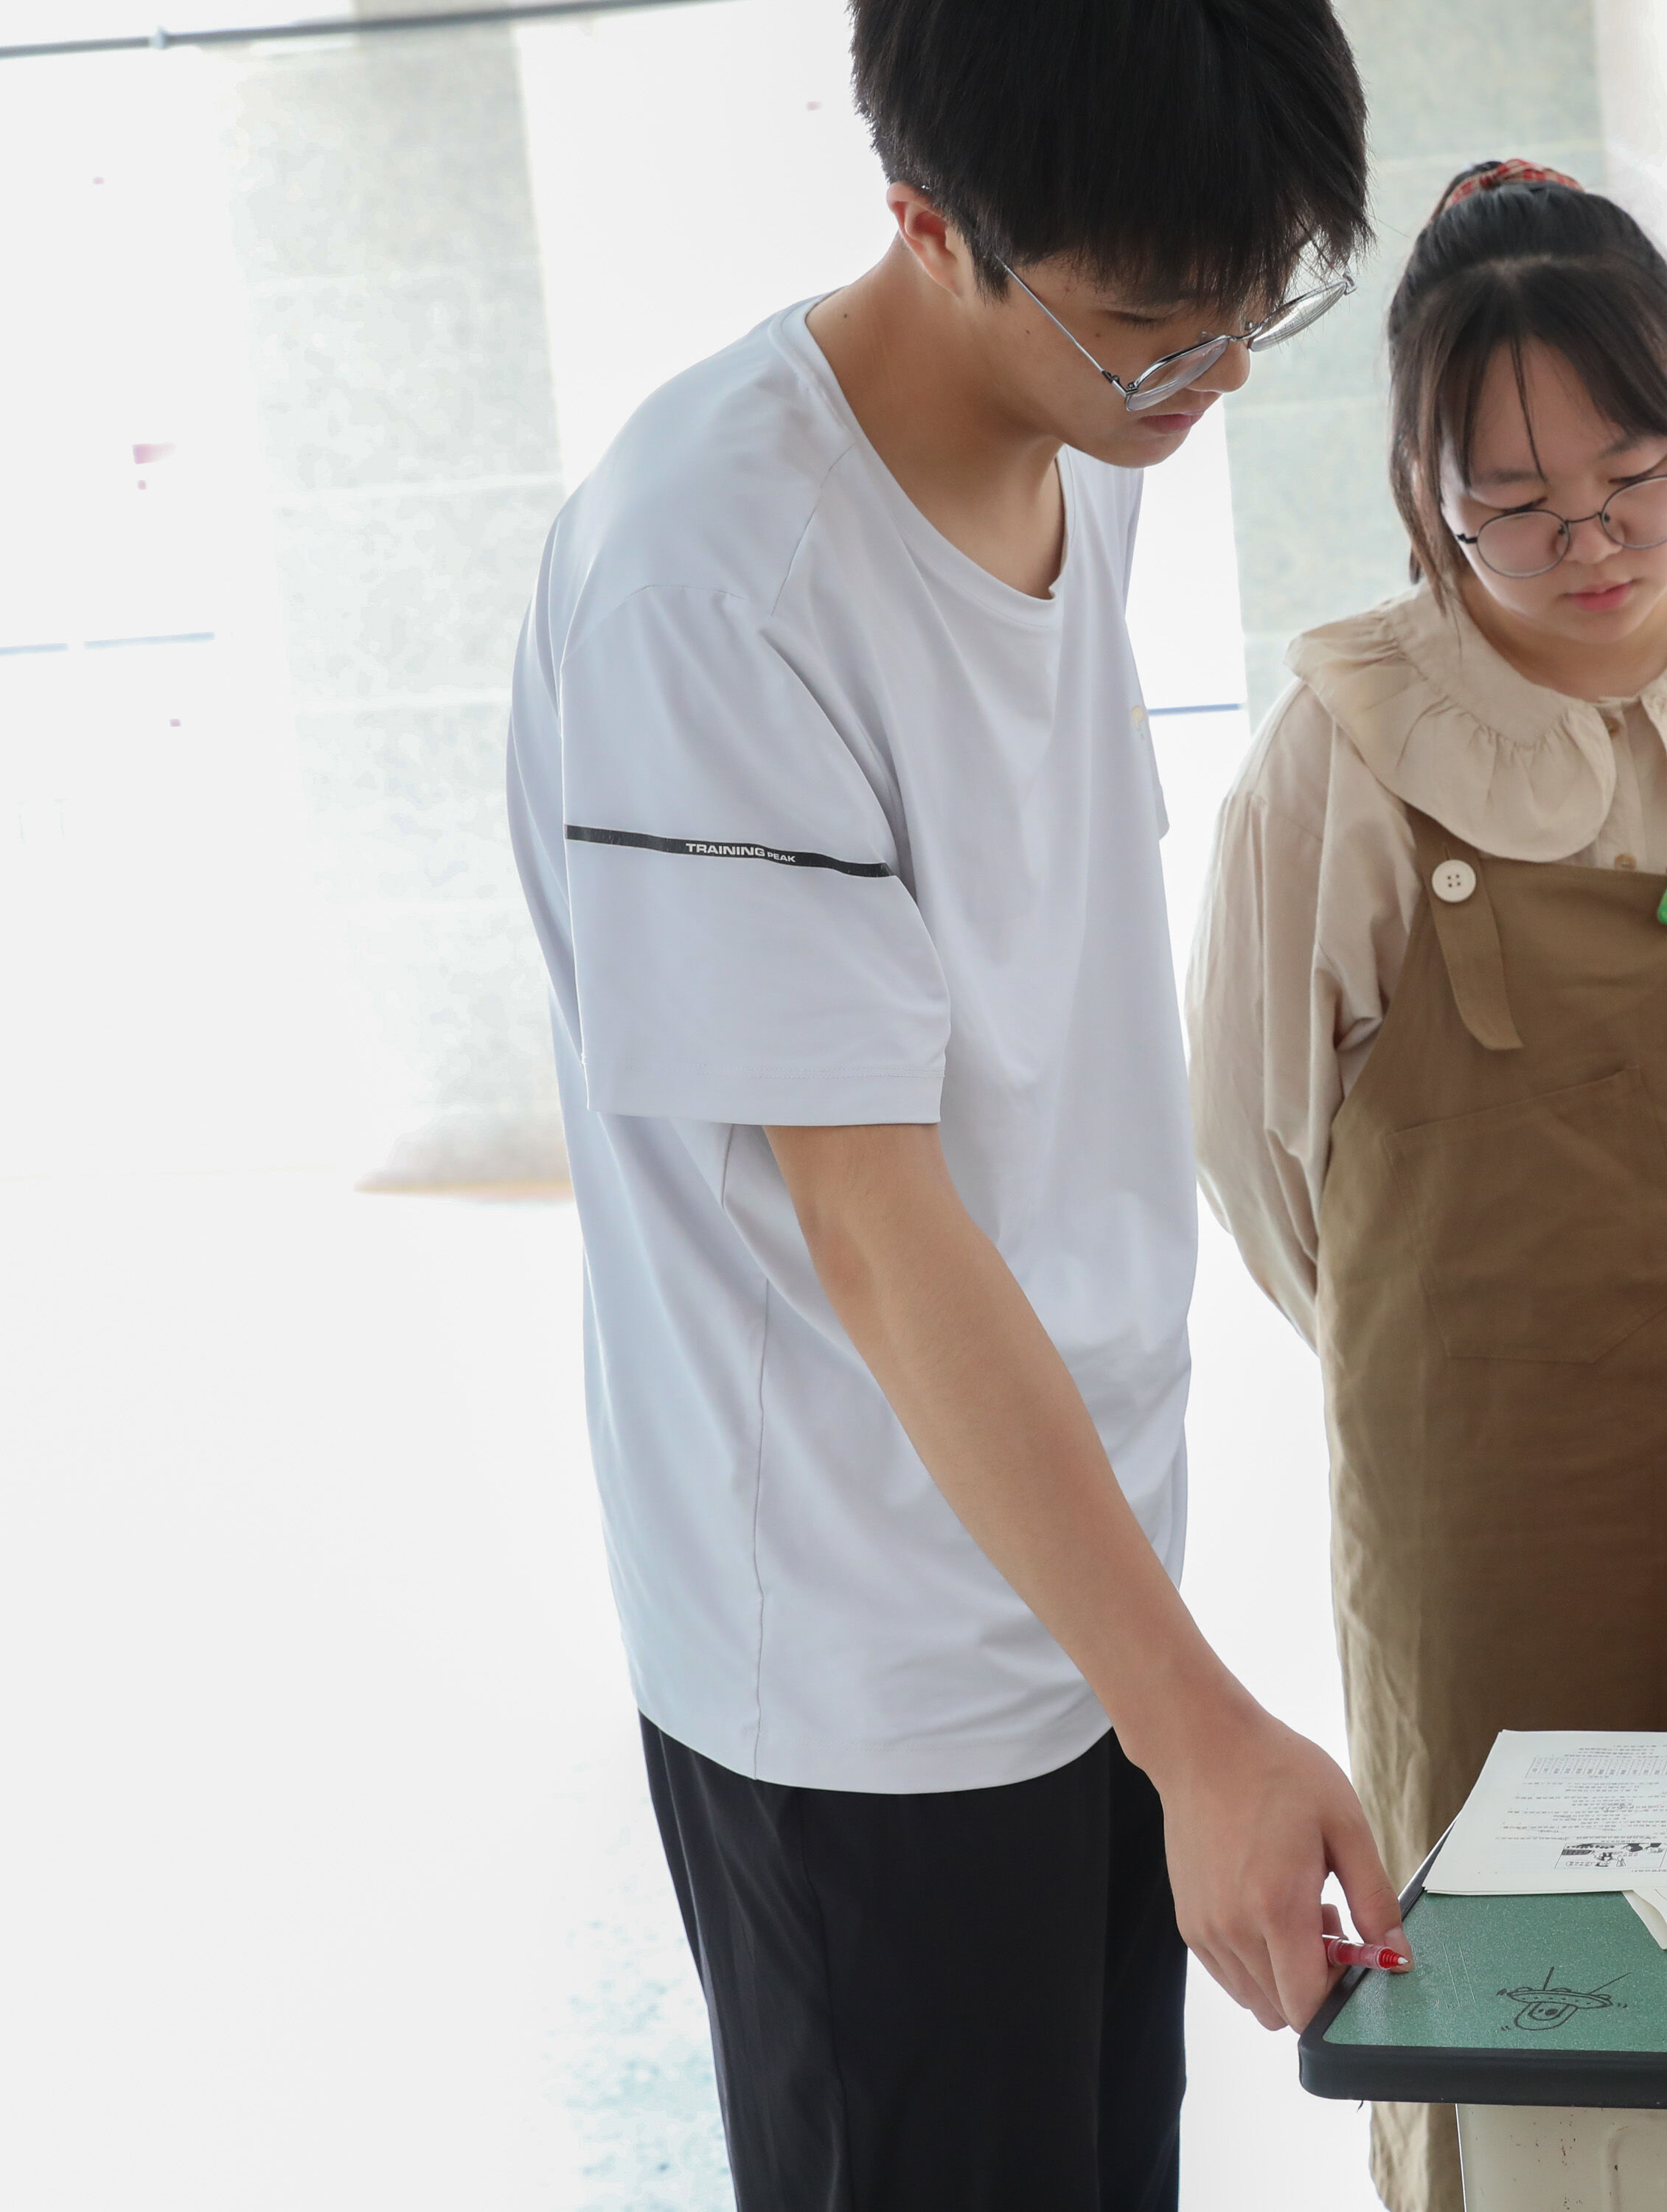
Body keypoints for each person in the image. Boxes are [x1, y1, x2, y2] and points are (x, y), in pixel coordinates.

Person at [504, 5, 1396, 2203]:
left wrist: (1162, 1694)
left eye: (1255, 305)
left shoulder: (1089, 432)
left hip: (1076, 1574)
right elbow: (875, 1227)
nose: (1213, 378)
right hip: (854, 1654)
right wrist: (1203, 1726)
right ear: (927, 223)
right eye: (1155, 326)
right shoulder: (716, 580)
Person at [1189, 158, 1667, 2212]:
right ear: (1419, 489)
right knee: (1515, 1995)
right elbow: (1259, 1161)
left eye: (1637, 477)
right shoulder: (1342, 747)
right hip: (1479, 1513)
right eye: (1508, 502)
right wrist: (1454, 1349)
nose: (1587, 542)